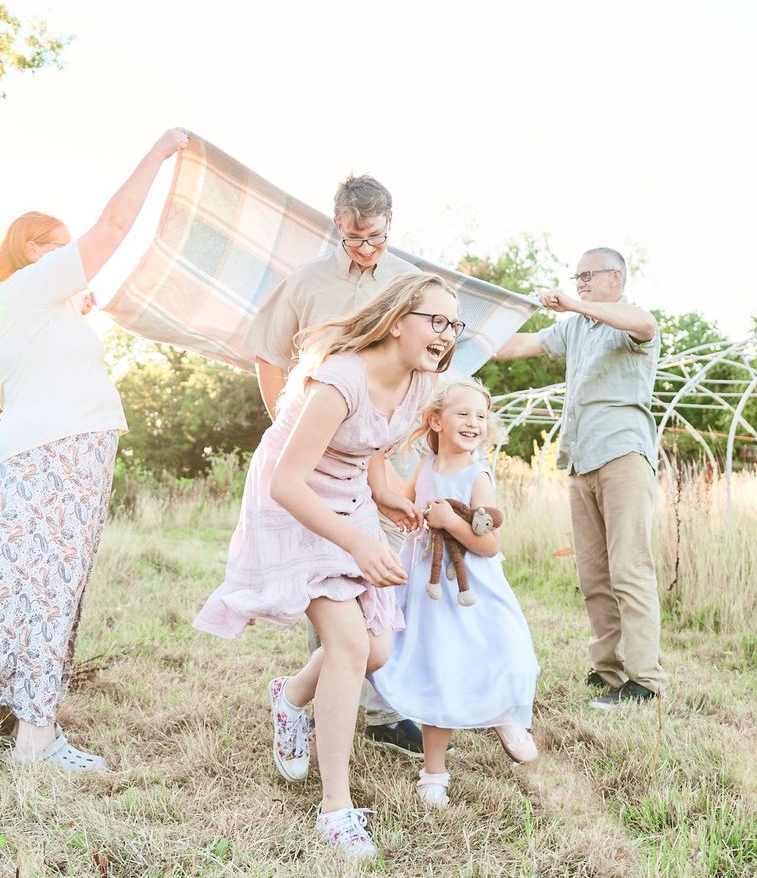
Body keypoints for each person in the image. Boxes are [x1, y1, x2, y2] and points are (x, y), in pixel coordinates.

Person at [0, 128, 190, 770]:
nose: (73, 256)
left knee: (27, 584)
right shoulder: (29, 290)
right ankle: (36, 739)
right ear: (32, 251)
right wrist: (156, 153)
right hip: (58, 455)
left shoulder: (28, 304)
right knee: (49, 587)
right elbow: (116, 223)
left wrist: (78, 311)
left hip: (54, 453)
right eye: (60, 246)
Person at [195, 274, 462, 860]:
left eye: (453, 326)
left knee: (377, 651)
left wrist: (386, 494)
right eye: (436, 321)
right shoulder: (341, 378)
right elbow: (287, 482)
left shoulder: (421, 383)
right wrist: (359, 544)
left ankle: (290, 697)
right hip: (291, 501)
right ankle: (336, 810)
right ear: (398, 320)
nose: (446, 335)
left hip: (348, 498)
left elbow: (369, 450)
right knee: (346, 643)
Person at [246, 174, 429, 756]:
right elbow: (268, 351)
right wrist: (287, 420)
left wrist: (389, 474)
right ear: (336, 226)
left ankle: (378, 711)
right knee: (324, 577)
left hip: (374, 444)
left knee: (373, 582)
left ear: (390, 224)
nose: (365, 249)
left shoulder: (407, 284)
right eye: (353, 238)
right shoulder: (306, 283)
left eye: (373, 237)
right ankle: (323, 707)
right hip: (315, 451)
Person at [495, 247, 667, 708]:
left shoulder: (630, 322)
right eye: (576, 278)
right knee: (593, 574)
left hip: (622, 453)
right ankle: (607, 670)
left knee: (629, 567)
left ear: (616, 277)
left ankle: (645, 680)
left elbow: (645, 324)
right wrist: (466, 325)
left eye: (587, 276)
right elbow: (514, 347)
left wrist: (573, 303)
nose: (580, 284)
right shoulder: (574, 327)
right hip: (581, 459)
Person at [371, 378, 540, 807]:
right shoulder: (426, 466)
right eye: (463, 413)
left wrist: (449, 522)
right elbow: (402, 505)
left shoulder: (477, 475)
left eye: (481, 416)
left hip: (474, 588)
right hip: (429, 592)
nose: (474, 422)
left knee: (498, 654)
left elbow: (489, 544)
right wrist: (374, 463)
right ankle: (434, 771)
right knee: (438, 669)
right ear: (436, 420)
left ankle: (502, 714)